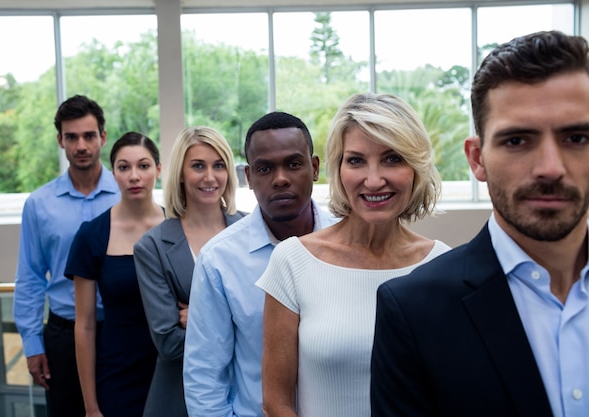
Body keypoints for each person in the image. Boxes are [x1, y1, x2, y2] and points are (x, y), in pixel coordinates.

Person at [370, 30, 589, 417]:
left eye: (576, 137)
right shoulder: (414, 312)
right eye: (517, 141)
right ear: (476, 159)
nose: (550, 169)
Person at [256, 93, 451, 417]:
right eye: (356, 160)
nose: (373, 180)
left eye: (392, 159)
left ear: (416, 167)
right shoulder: (293, 261)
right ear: (338, 168)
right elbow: (276, 403)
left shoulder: (441, 266)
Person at [183, 112, 336, 417]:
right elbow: (204, 376)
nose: (280, 179)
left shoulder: (350, 244)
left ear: (315, 167)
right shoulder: (220, 260)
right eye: (265, 168)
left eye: (293, 164)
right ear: (249, 177)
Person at [13, 95, 119, 417]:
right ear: (60, 140)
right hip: (63, 337)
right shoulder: (39, 204)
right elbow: (30, 276)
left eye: (89, 136)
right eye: (71, 137)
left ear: (102, 136)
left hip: (120, 330)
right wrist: (33, 346)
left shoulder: (127, 194)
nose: (81, 145)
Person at [133, 126, 245, 417]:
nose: (210, 177)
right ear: (181, 174)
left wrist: (199, 316)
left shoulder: (253, 230)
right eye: (198, 166)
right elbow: (169, 344)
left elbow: (272, 324)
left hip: (248, 396)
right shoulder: (152, 247)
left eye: (218, 165)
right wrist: (242, 323)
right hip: (177, 400)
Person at [65, 132, 164, 417]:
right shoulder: (92, 234)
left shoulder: (178, 227)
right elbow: (83, 326)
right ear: (114, 174)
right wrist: (91, 406)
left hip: (172, 369)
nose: (134, 176)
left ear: (158, 170)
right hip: (117, 374)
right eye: (124, 167)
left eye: (143, 166)